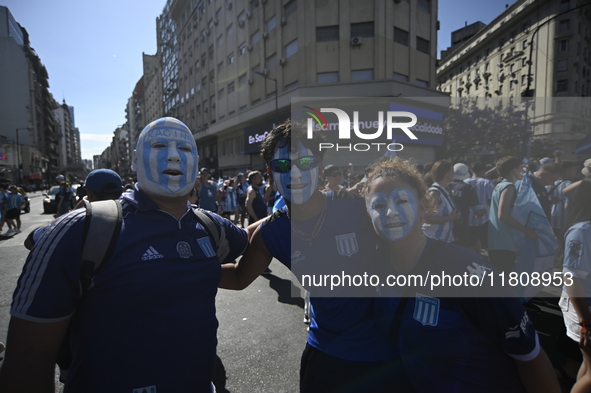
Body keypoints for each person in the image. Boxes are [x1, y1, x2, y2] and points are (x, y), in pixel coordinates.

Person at [0, 117, 248, 393]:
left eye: (186, 149)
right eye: (158, 145)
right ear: (134, 160)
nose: (175, 157)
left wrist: (287, 213)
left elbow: (251, 242)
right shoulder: (79, 230)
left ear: (197, 162)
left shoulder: (212, 226)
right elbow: (29, 357)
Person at [219, 119, 411, 392]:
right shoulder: (271, 233)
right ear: (270, 173)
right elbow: (238, 277)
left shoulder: (358, 210)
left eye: (306, 163)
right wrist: (183, 271)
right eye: (283, 166)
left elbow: (414, 249)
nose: (295, 174)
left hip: (382, 355)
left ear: (319, 167)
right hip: (325, 355)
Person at [365, 156, 560, 393]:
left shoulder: (469, 273)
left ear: (424, 205)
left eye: (402, 200)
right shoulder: (374, 267)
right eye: (378, 205)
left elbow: (531, 358)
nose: (391, 213)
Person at [24, 169, 124, 250]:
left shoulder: (74, 222)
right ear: (122, 191)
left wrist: (71, 214)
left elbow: (30, 242)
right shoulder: (135, 218)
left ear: (89, 193)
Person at [559, 178, 591, 393]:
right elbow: (571, 278)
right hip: (584, 308)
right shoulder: (582, 230)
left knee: (588, 366)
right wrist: (586, 321)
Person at [488, 156, 538, 274]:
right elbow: (503, 215)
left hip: (497, 241)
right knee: (503, 282)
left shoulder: (500, 185)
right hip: (504, 242)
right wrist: (527, 231)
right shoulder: (508, 186)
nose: (523, 171)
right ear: (514, 170)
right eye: (521, 167)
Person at [448, 163, 486, 248]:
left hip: (445, 226)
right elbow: (479, 211)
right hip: (461, 227)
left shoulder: (446, 186)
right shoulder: (467, 188)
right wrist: (484, 209)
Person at [422, 160, 461, 243]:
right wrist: (451, 218)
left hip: (445, 240)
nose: (454, 173)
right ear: (446, 174)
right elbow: (426, 218)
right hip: (434, 239)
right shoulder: (434, 193)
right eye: (452, 171)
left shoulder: (446, 190)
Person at [464, 162, 495, 252]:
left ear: (471, 171)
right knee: (487, 244)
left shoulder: (464, 182)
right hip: (484, 219)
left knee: (470, 245)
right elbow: (491, 201)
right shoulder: (487, 183)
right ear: (483, 171)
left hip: (468, 219)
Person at [547, 161, 577, 236]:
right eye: (574, 170)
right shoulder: (571, 185)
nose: (575, 172)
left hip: (550, 219)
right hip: (565, 220)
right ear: (567, 171)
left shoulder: (549, 184)